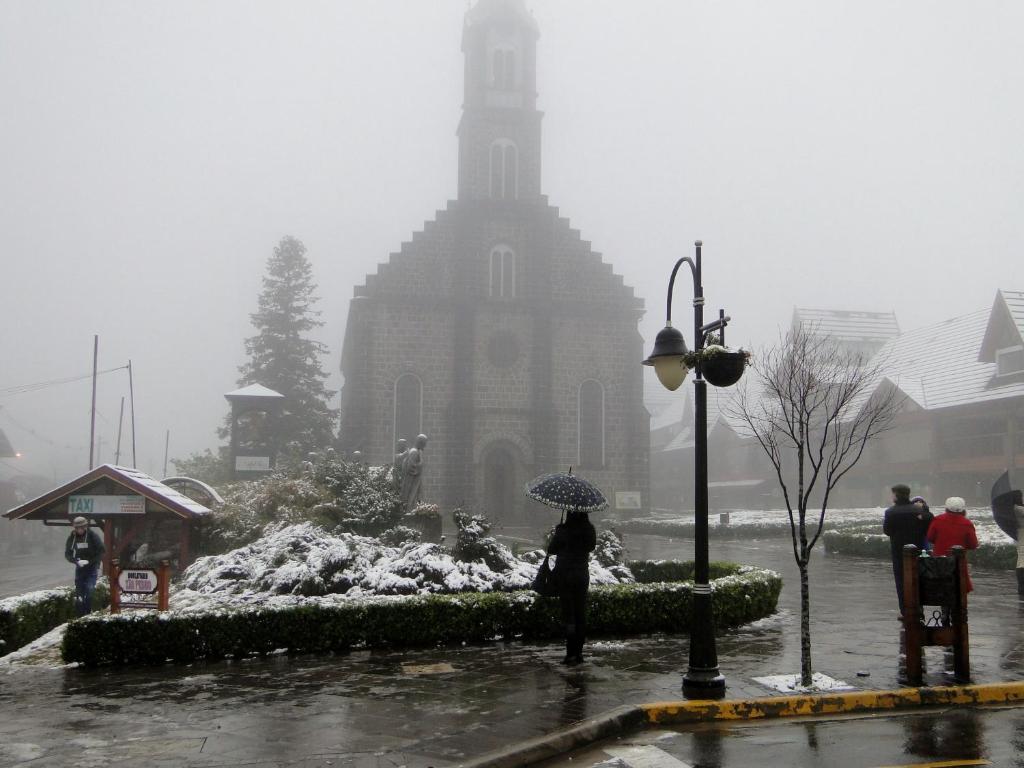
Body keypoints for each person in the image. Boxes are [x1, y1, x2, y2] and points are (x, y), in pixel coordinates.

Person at [547, 510, 597, 665]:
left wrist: (559, 531)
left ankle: (570, 653)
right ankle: (579, 653)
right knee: (580, 613)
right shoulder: (589, 529)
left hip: (565, 575)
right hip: (582, 575)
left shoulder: (563, 530)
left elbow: (551, 549)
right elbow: (591, 547)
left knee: (569, 614)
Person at [883, 483, 934, 611]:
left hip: (899, 551)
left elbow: (887, 531)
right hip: (918, 550)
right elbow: (929, 525)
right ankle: (918, 608)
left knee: (901, 581)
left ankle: (905, 610)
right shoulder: (918, 511)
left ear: (896, 495)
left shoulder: (890, 512)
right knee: (917, 580)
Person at [926, 496, 979, 592]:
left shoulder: (938, 520)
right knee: (960, 587)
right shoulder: (967, 523)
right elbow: (973, 544)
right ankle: (960, 606)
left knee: (941, 587)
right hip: (959, 563)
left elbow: (930, 538)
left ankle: (944, 605)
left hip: (940, 561)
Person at [64, 516, 105, 617]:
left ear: (85, 527)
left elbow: (102, 551)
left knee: (89, 590)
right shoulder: (72, 537)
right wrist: (76, 561)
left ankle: (88, 612)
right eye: (77, 528)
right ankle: (80, 615)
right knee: (79, 593)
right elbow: (68, 554)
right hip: (80, 567)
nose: (79, 530)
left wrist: (90, 562)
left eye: (81, 528)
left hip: (92, 567)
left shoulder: (92, 536)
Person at [400, 434, 428, 511]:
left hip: (415, 482)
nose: (424, 446)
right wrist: (421, 460)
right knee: (410, 500)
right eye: (424, 444)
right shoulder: (414, 452)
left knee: (416, 500)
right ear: (420, 443)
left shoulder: (416, 452)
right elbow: (411, 468)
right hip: (411, 483)